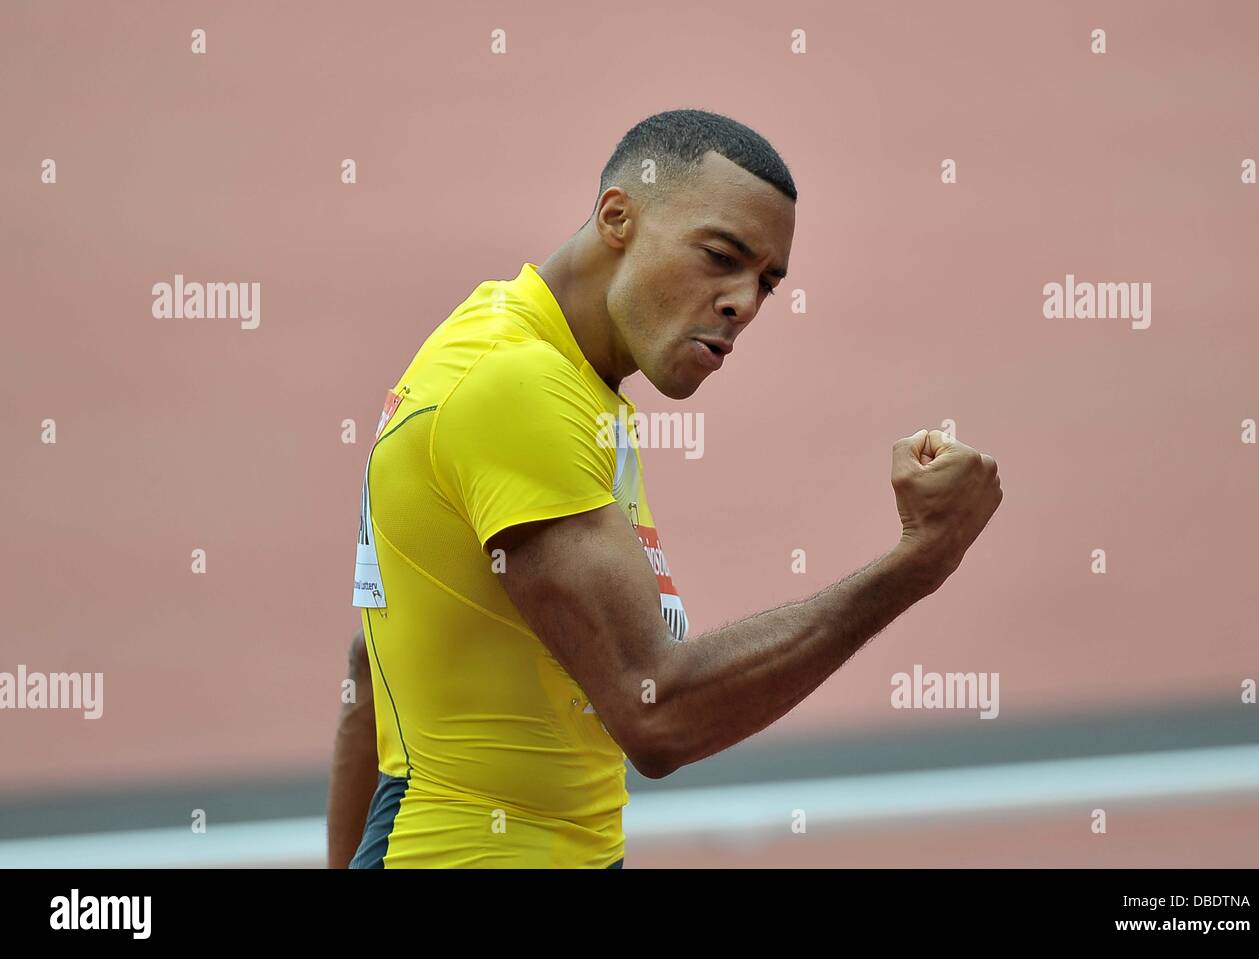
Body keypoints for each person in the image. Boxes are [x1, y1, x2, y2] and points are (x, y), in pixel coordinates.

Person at [329, 108, 1002, 869]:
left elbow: (370, 659)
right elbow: (659, 713)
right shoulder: (516, 386)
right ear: (618, 216)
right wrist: (917, 563)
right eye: (721, 256)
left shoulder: (547, 361)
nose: (743, 302)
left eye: (766, 284)